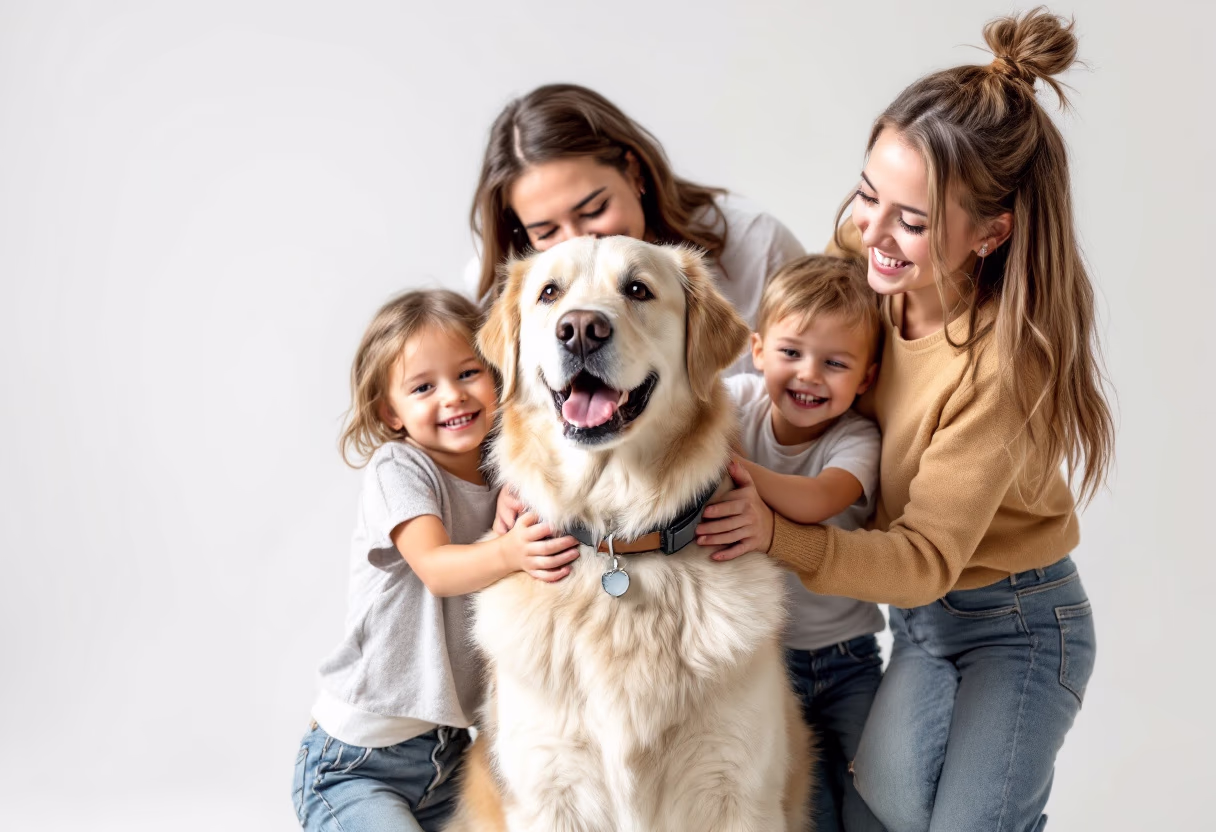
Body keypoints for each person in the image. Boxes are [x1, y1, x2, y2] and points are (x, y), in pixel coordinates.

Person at [696, 9, 1113, 831]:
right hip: (918, 620)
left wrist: (775, 533)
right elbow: (787, 340)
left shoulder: (999, 366)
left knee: (969, 823)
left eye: (912, 221)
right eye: (866, 193)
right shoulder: (864, 274)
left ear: (992, 232)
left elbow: (924, 555)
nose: (871, 232)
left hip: (1020, 623)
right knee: (884, 806)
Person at [291, 290, 578, 832]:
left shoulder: (504, 470)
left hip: (448, 760)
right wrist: (510, 550)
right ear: (390, 414)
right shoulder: (398, 467)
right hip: (356, 763)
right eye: (423, 387)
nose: (452, 397)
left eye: (468, 373)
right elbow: (437, 568)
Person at [467, 82, 804, 375]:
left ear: (633, 172)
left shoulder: (761, 247)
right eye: (546, 232)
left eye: (594, 210)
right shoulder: (496, 286)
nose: (577, 242)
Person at [725, 254, 887, 832]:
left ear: (865, 378)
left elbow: (819, 500)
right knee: (804, 808)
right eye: (791, 353)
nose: (809, 374)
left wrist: (738, 469)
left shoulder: (857, 438)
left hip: (848, 661)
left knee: (872, 801)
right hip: (765, 662)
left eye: (835, 363)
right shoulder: (737, 404)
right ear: (759, 349)